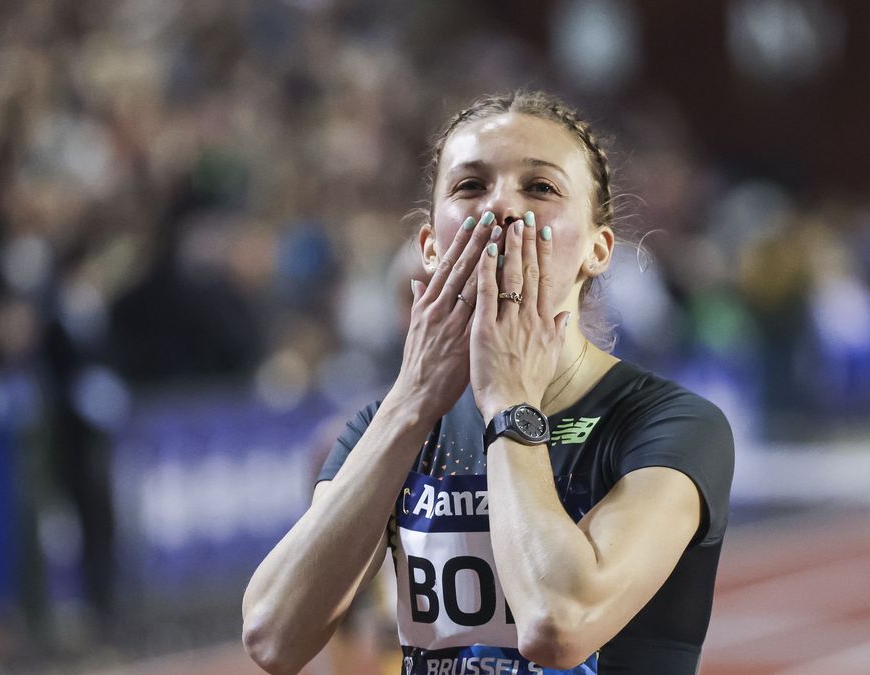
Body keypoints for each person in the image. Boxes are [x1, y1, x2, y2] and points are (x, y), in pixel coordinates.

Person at [242, 91, 734, 675]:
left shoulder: (670, 424)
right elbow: (273, 636)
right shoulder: (388, 428)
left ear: (598, 250)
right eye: (470, 186)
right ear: (430, 245)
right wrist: (410, 405)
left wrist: (510, 402)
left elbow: (558, 625)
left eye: (541, 188)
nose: (501, 206)